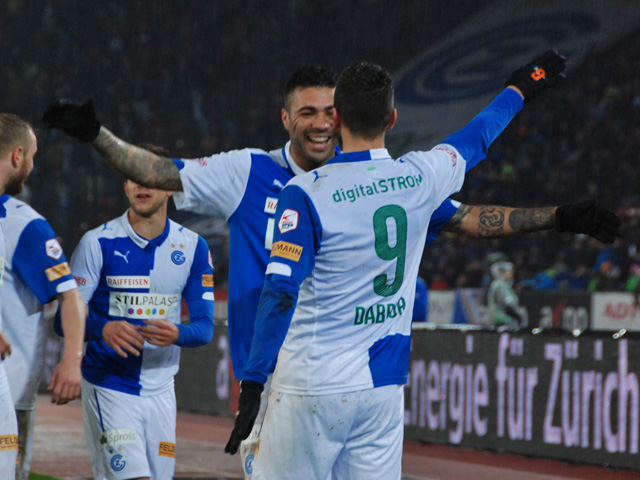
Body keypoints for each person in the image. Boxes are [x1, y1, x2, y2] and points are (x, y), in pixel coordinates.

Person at [42, 61, 622, 479]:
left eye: (327, 112)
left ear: (341, 116)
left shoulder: (323, 192)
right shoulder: (257, 172)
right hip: (336, 385)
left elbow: (468, 219)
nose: (319, 123)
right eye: (307, 113)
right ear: (286, 118)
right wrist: (99, 136)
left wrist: (559, 216)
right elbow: (160, 172)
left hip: (303, 382)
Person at [225, 53, 566, 479]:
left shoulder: (305, 192)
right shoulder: (420, 178)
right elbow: (478, 136)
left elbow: (279, 292)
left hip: (312, 384)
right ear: (392, 119)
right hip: (382, 389)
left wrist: (253, 382)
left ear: (336, 118)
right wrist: (521, 88)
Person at [63, 144, 215, 480]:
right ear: (125, 186)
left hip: (162, 391)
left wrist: (178, 333)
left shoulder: (193, 247)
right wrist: (102, 329)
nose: (141, 184)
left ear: (171, 186)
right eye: (133, 176)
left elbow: (204, 327)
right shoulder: (97, 243)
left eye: (151, 176)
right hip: (109, 384)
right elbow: (65, 320)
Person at [0, 113, 85, 478]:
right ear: (17, 155)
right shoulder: (25, 224)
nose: (32, 166)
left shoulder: (23, 224)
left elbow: (68, 296)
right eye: (32, 156)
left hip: (12, 390)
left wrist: (72, 359)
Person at [487, 260, 523, 327]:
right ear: (502, 272)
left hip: (507, 319)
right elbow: (503, 303)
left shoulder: (505, 285)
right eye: (509, 271)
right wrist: (516, 315)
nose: (511, 274)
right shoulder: (499, 285)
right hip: (501, 320)